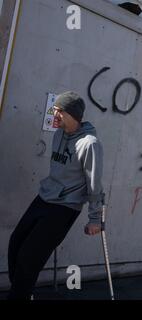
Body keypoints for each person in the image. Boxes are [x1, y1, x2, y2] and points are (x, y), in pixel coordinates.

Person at [7, 91, 104, 300]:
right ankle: (23, 293)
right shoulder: (59, 134)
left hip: (64, 208)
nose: (55, 114)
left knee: (28, 257)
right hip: (44, 198)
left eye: (60, 111)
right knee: (15, 243)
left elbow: (94, 185)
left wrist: (95, 218)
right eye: (55, 110)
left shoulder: (89, 144)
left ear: (73, 114)